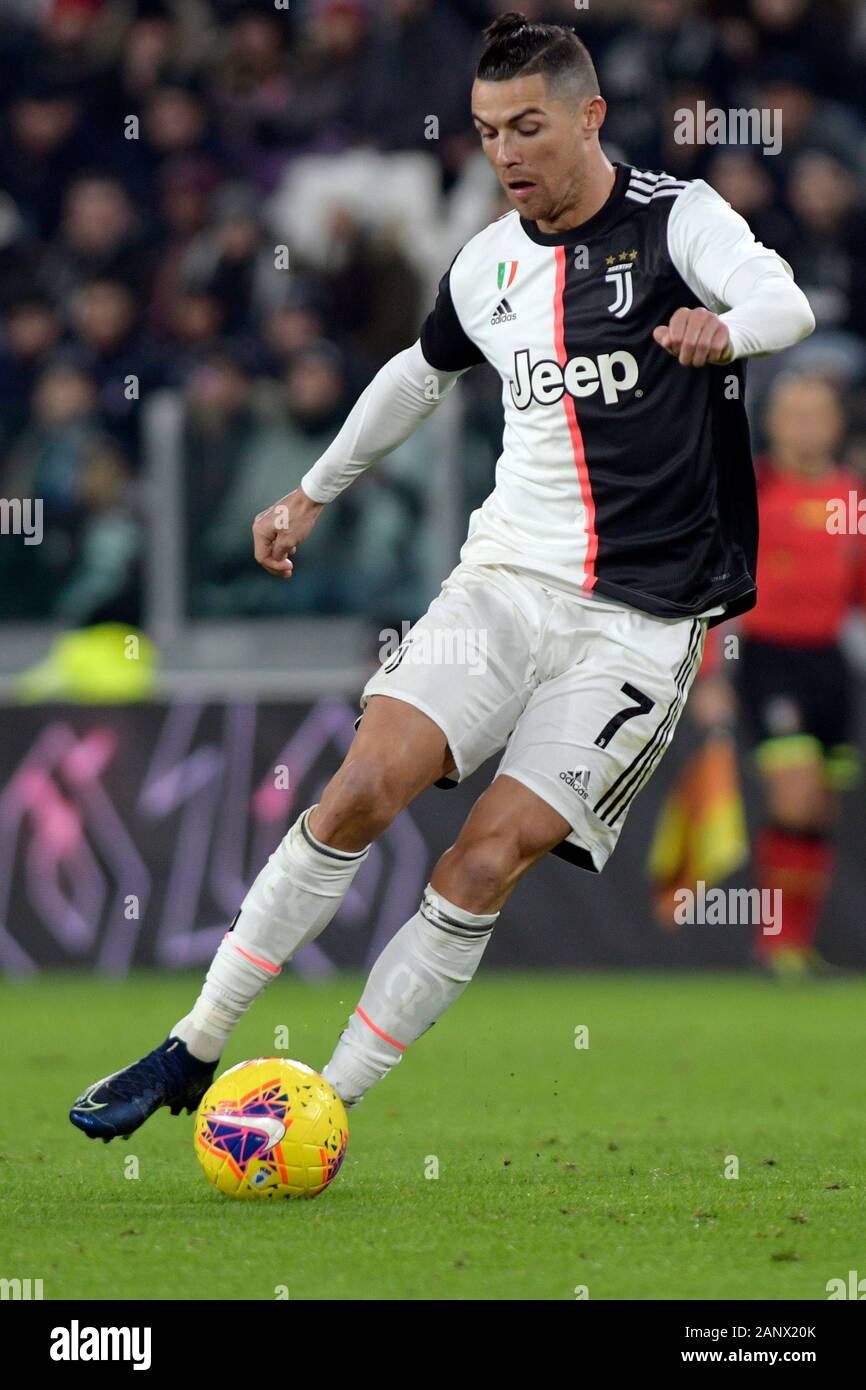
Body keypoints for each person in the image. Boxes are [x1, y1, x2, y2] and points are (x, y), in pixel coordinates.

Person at [70, 11, 814, 1140]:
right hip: (504, 581)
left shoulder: (680, 220)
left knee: (485, 856)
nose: (505, 154)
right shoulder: (486, 261)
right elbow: (416, 377)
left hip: (640, 622)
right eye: (484, 132)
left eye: (526, 127)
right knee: (361, 788)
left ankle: (320, 1102)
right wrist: (311, 491)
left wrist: (728, 329)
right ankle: (193, 1043)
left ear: (588, 116)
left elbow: (785, 301)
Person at [735, 374, 866, 977]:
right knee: (796, 792)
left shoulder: (851, 499)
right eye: (793, 413)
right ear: (772, 421)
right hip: (768, 659)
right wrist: (711, 671)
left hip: (829, 664)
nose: (804, 425)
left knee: (820, 810)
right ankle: (776, 941)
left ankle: (796, 943)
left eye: (816, 414)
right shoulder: (749, 487)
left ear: (837, 424)